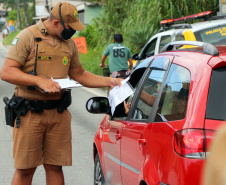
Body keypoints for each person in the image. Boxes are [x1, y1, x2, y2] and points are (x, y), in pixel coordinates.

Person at [0, 2, 122, 185]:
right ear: (57, 23)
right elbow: (7, 71)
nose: (73, 31)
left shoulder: (69, 44)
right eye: (70, 27)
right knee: (25, 169)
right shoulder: (28, 37)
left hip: (58, 113)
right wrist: (38, 80)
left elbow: (79, 74)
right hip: (29, 114)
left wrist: (109, 81)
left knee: (55, 166)